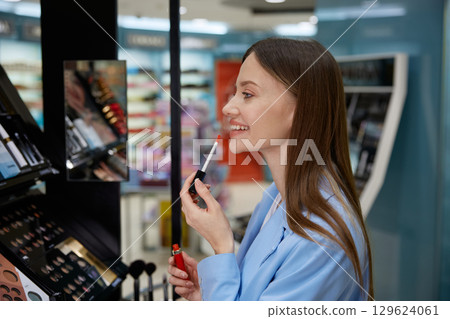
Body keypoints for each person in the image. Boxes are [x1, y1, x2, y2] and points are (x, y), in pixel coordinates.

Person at [168, 37, 373, 301]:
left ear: (299, 109)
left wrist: (221, 246)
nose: (228, 107)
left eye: (248, 94)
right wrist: (206, 291)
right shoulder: (276, 196)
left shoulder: (322, 242)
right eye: (235, 93)